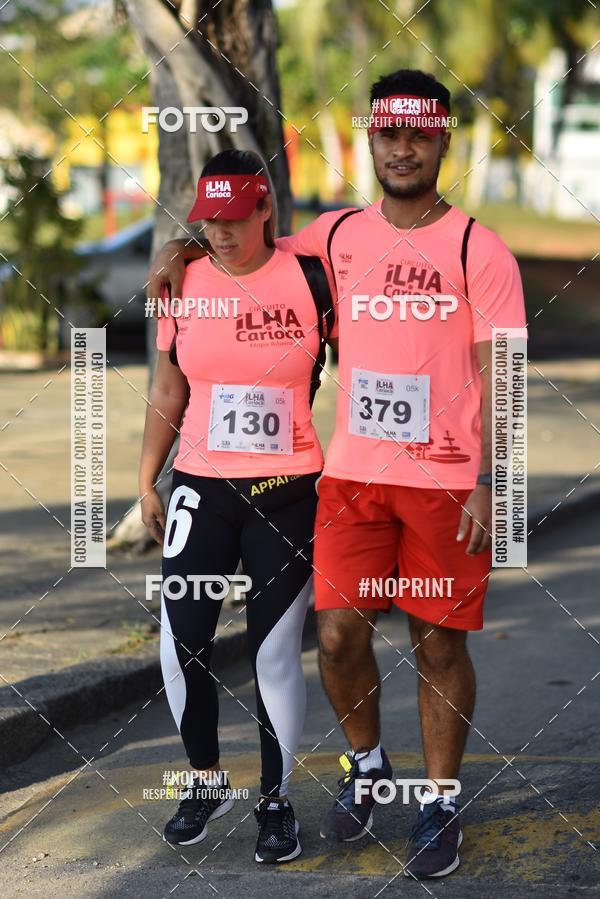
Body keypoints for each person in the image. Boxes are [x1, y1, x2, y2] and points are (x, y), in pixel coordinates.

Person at [147, 69, 526, 879]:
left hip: (447, 483)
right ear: (372, 140)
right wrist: (182, 248)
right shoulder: (336, 236)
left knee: (437, 642)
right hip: (353, 478)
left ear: (442, 140)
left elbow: (508, 375)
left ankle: (437, 801)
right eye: (388, 133)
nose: (401, 147)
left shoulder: (479, 250)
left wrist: (495, 481)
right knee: (337, 632)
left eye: (418, 134)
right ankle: (368, 765)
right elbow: (243, 244)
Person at [139, 148, 336, 864]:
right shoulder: (183, 280)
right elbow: (167, 392)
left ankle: (277, 800)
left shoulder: (313, 270)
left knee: (274, 651)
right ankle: (204, 778)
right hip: (200, 483)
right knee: (179, 640)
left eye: (234, 218)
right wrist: (144, 479)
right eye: (207, 221)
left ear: (267, 212)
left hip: (288, 490)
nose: (220, 233)